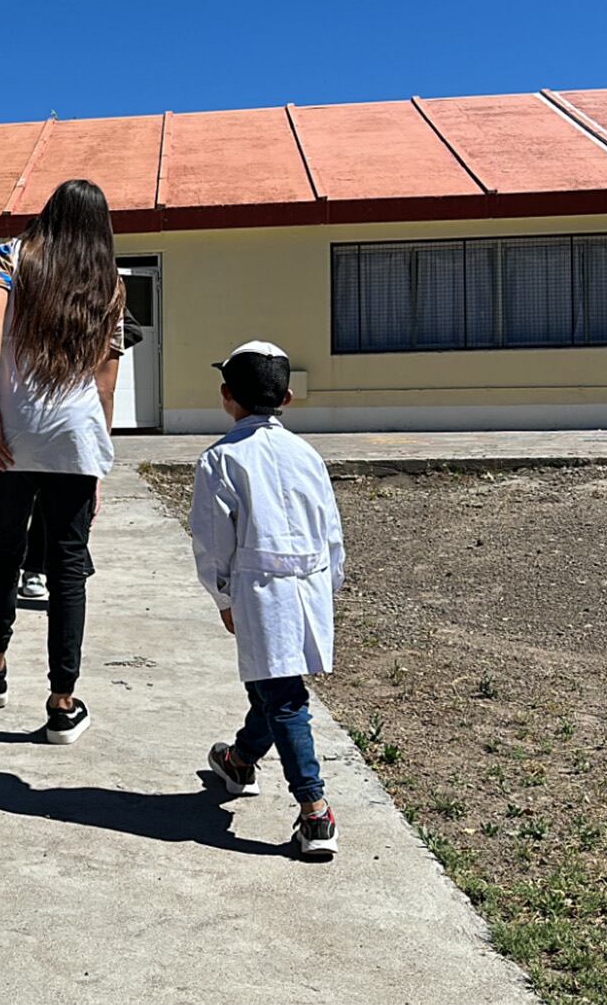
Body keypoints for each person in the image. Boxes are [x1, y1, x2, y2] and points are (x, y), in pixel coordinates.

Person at [0, 179, 125, 745]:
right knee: (69, 566)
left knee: (5, 551)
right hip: (74, 436)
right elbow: (106, 378)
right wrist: (98, 452)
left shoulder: (11, 257)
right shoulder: (110, 283)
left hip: (15, 433)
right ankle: (62, 702)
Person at [190, 341, 345, 858]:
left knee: (284, 697)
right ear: (289, 397)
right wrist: (330, 586)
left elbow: (214, 541)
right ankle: (238, 760)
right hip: (310, 585)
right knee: (274, 682)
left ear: (226, 395)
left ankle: (315, 810)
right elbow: (332, 532)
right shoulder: (308, 455)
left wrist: (223, 596)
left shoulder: (222, 459)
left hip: (260, 591)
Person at [19, 314, 144, 601]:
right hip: (40, 402)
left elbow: (130, 331)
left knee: (66, 499)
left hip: (76, 406)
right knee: (47, 495)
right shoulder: (43, 288)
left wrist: (96, 353)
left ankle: (49, 569)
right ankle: (40, 568)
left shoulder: (99, 293)